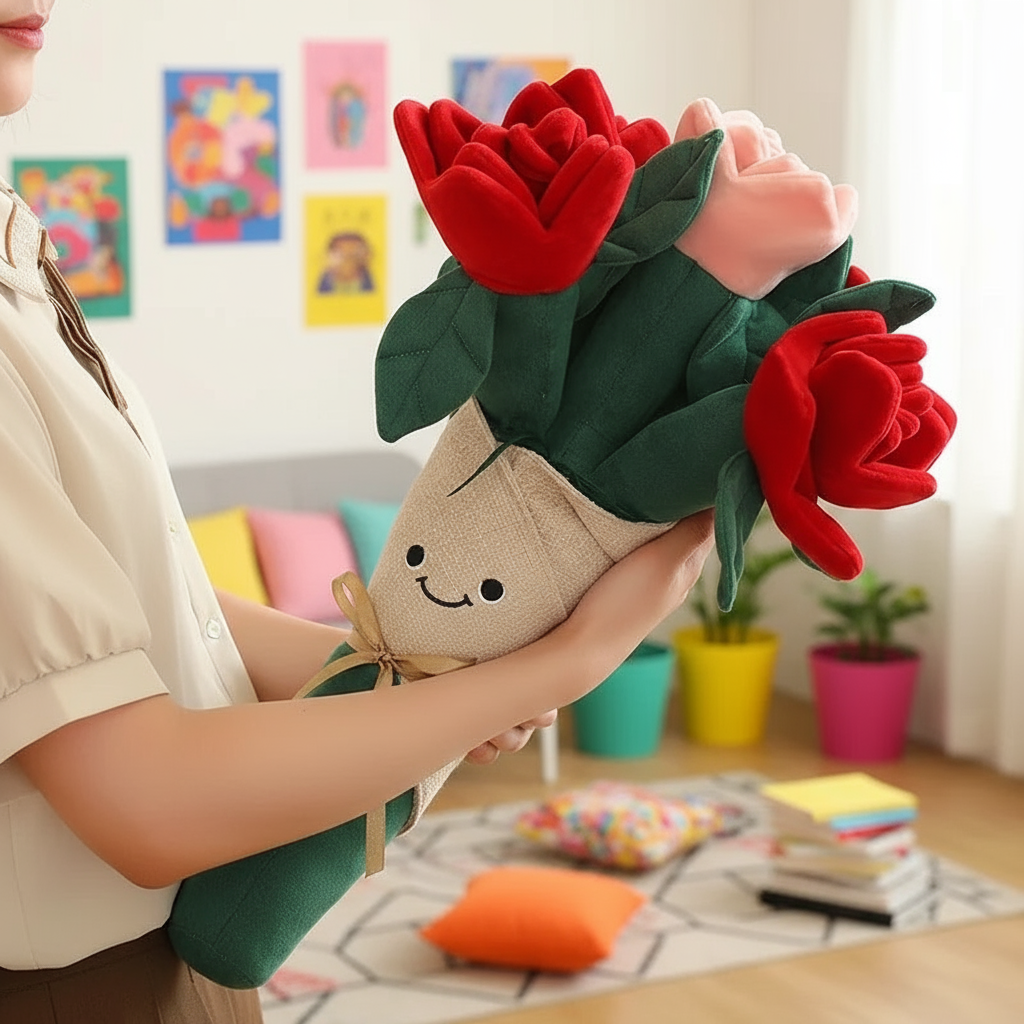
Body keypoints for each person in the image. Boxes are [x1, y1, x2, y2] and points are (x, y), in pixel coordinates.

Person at [0, 4, 716, 1022]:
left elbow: (149, 611)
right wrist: (563, 660)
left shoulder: (23, 271)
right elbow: (144, 802)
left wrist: (418, 675)